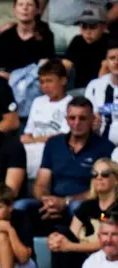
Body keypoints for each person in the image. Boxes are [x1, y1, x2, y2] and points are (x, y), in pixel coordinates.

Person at [33, 96, 115, 233]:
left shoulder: (106, 148)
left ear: (92, 120)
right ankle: (27, 254)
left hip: (85, 204)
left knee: (77, 207)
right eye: (72, 118)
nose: (76, 123)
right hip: (52, 203)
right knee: (21, 207)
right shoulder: (53, 143)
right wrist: (47, 200)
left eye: (82, 118)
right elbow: (41, 182)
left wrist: (66, 202)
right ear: (66, 120)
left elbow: (103, 188)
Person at [43, 157, 118, 268]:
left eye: (105, 174)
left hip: (110, 258)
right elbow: (72, 234)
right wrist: (56, 241)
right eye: (95, 175)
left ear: (116, 178)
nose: (99, 178)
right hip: (84, 257)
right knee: (61, 232)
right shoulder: (87, 206)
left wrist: (69, 246)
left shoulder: (116, 209)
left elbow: (109, 243)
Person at [0, 0, 55, 86]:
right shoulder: (5, 36)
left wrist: (14, 78)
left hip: (33, 85)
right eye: (20, 4)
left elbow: (47, 67)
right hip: (6, 84)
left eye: (30, 5)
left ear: (36, 10)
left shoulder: (45, 35)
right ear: (14, 9)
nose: (25, 8)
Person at [21, 59, 72, 180]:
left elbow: (62, 137)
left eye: (49, 81)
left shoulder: (71, 103)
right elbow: (26, 135)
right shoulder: (37, 102)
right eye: (42, 82)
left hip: (54, 151)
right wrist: (34, 140)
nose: (45, 86)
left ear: (63, 80)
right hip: (31, 149)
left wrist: (34, 140)